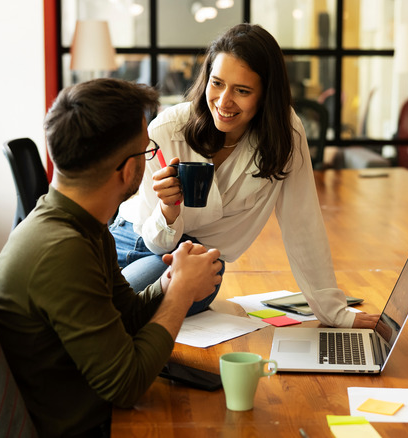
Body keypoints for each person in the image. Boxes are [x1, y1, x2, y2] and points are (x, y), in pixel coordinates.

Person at [0, 78, 222, 437]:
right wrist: (181, 295)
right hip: (75, 425)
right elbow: (126, 386)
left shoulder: (81, 223)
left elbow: (124, 316)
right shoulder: (62, 250)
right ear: (128, 170)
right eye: (146, 152)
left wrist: (169, 281)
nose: (148, 159)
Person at [110, 23, 378, 328]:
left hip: (203, 263)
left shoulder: (284, 136)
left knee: (120, 315)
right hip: (138, 241)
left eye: (242, 90)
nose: (224, 102)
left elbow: (302, 223)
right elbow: (156, 242)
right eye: (217, 83)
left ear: (266, 95)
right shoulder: (168, 130)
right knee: (111, 313)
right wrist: (168, 210)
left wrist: (335, 313)